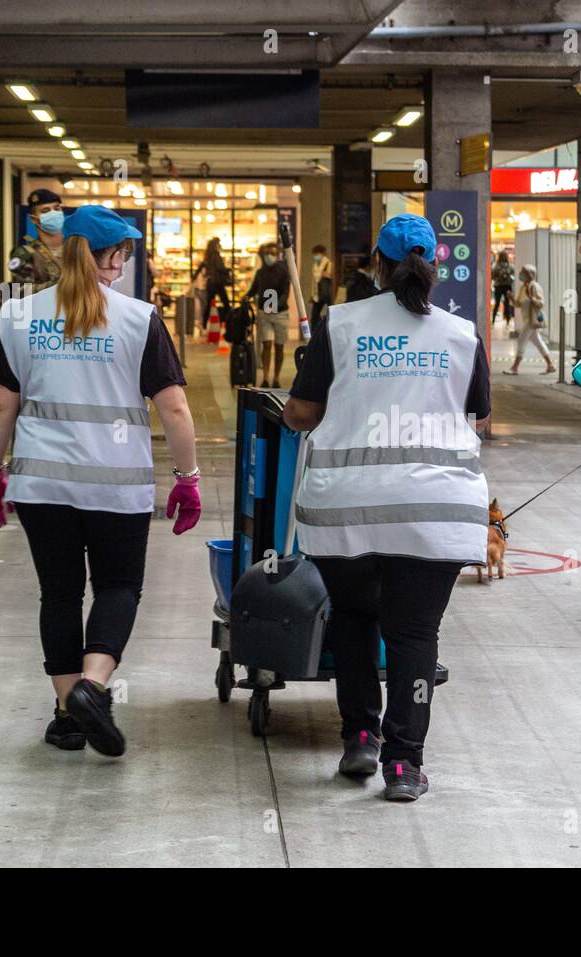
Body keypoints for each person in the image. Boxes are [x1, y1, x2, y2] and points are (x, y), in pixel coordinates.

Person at [0, 204, 200, 757]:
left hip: (42, 487)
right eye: (121, 252)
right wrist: (187, 477)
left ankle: (65, 713)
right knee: (118, 587)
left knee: (59, 591)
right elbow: (173, 408)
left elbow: (2, 403)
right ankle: (93, 689)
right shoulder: (137, 318)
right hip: (115, 487)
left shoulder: (19, 315)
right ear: (111, 256)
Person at [283, 213, 491, 802]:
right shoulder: (460, 333)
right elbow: (477, 416)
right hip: (435, 511)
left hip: (347, 510)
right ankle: (404, 764)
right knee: (414, 634)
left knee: (353, 618)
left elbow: (301, 413)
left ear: (375, 264)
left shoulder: (340, 324)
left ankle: (359, 739)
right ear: (434, 265)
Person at [245, 241, 290, 388]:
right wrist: (246, 297)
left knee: (279, 346)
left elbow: (285, 293)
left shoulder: (283, 271)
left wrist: (277, 304)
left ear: (277, 255)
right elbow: (254, 289)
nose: (269, 256)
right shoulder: (261, 272)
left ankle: (276, 378)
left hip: (280, 313)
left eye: (272, 254)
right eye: (267, 254)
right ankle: (265, 376)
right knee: (267, 344)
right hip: (264, 313)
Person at [8, 188, 65, 292]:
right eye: (46, 211)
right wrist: (63, 284)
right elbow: (22, 292)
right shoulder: (26, 254)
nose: (53, 213)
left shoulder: (75, 248)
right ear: (34, 219)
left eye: (57, 209)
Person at [505, 263, 555, 375]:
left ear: (529, 274)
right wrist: (511, 298)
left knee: (521, 340)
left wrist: (531, 298)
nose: (520, 274)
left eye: (523, 272)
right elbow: (518, 304)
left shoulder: (534, 287)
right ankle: (550, 365)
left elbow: (541, 303)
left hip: (532, 320)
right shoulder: (524, 287)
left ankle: (515, 367)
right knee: (538, 342)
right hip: (528, 320)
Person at [191, 236, 231, 336]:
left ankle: (204, 325)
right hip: (218, 283)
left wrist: (194, 277)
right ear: (216, 245)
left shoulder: (207, 257)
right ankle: (226, 323)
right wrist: (229, 270)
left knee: (208, 305)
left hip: (210, 284)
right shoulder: (216, 256)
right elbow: (220, 268)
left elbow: (200, 268)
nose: (220, 245)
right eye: (219, 244)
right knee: (226, 303)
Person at [308, 243, 333, 331]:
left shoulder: (328, 264)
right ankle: (314, 335)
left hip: (326, 294)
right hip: (317, 295)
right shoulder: (315, 265)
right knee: (314, 317)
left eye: (318, 253)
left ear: (323, 253)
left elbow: (331, 277)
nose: (316, 256)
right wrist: (312, 294)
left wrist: (327, 275)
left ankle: (328, 332)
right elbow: (314, 281)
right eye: (315, 254)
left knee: (331, 315)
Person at [491, 249, 516, 327]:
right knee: (499, 303)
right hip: (500, 286)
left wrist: (508, 276)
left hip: (505, 286)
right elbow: (493, 276)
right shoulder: (497, 265)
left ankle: (506, 320)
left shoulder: (508, 266)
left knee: (505, 304)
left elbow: (513, 276)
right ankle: (495, 320)